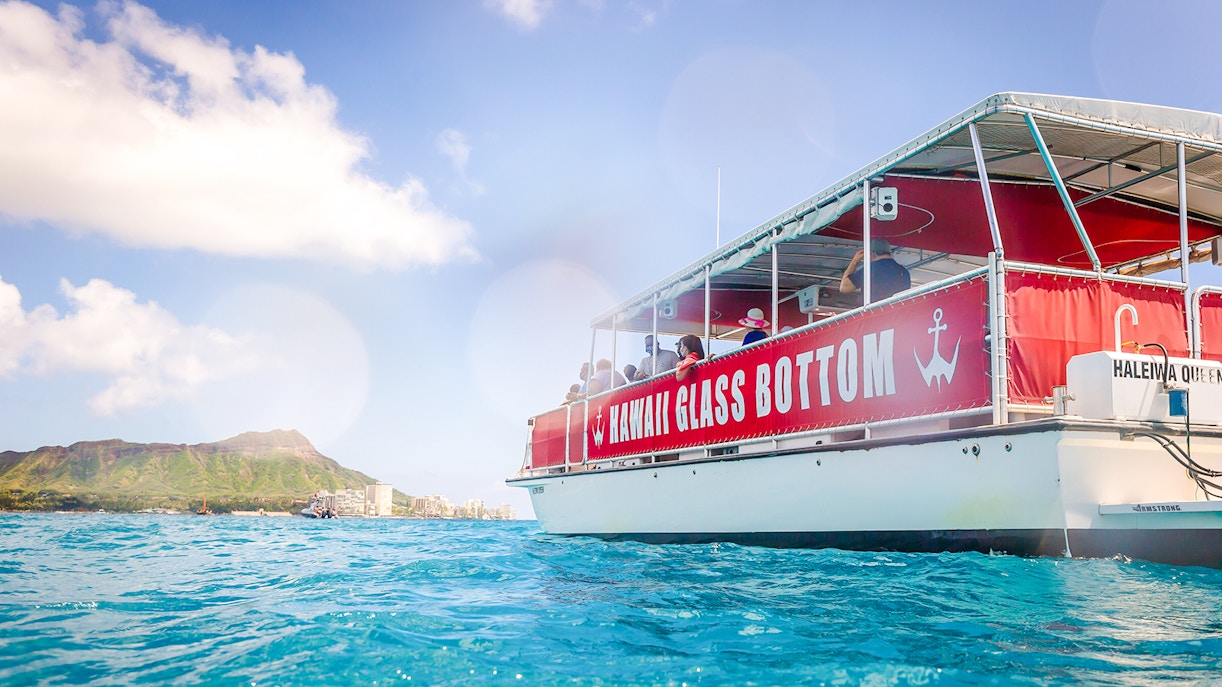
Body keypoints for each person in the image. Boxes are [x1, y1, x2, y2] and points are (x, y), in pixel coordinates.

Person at [840, 237, 911, 301]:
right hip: (898, 313)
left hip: (875, 313)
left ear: (871, 254)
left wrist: (854, 261)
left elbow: (844, 288)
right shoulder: (904, 271)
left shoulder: (870, 269)